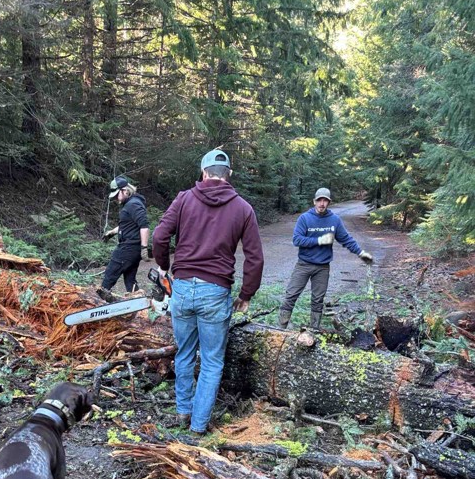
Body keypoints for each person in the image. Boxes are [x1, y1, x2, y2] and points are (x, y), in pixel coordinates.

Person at [152, 148, 264, 436]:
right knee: (213, 360)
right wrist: (246, 294)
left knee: (185, 352)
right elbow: (255, 257)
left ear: (203, 173)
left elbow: (159, 236)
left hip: (184, 286)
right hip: (216, 291)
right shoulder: (243, 208)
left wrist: (164, 266)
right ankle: (199, 425)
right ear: (229, 175)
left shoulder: (184, 199)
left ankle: (183, 410)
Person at [278, 187, 373, 331]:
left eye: (325, 201)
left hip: (322, 267)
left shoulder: (334, 220)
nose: (322, 204)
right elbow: (297, 240)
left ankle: (314, 330)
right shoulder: (305, 218)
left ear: (329, 202)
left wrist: (361, 253)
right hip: (303, 264)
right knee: (291, 295)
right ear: (314, 201)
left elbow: (346, 239)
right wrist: (319, 240)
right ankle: (280, 328)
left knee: (318, 300)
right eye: (319, 200)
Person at [101, 176, 150, 292]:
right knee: (130, 280)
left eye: (117, 194)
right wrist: (111, 232)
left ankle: (98, 303)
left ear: (125, 191)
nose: (116, 198)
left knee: (109, 275)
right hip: (132, 249)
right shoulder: (131, 203)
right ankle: (138, 305)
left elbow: (144, 226)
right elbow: (128, 224)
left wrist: (144, 247)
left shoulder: (133, 204)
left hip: (129, 247)